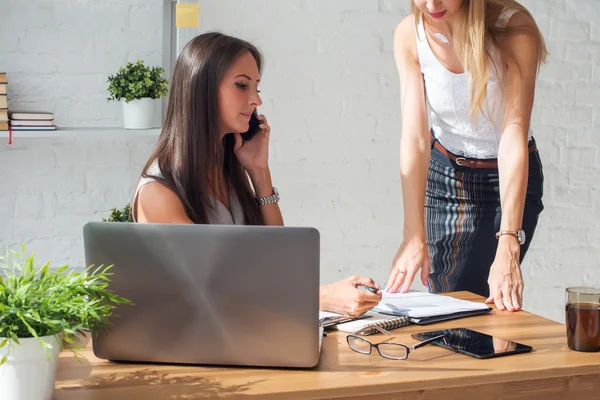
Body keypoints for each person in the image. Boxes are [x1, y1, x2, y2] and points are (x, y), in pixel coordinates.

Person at [132, 32, 381, 318]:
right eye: (242, 85)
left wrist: (260, 173)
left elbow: (279, 262)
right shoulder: (158, 191)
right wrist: (321, 296)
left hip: (244, 331)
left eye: (257, 87)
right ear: (202, 89)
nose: (255, 100)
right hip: (195, 348)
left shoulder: (227, 172)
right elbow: (210, 286)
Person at [386, 0, 547, 312]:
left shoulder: (512, 31)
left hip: (507, 178)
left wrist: (509, 240)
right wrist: (412, 235)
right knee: (447, 302)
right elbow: (416, 138)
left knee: (492, 296)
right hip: (445, 178)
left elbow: (512, 134)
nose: (430, 4)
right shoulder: (409, 34)